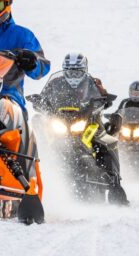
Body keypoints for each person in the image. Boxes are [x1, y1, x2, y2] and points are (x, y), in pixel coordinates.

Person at [32, 53, 128, 204]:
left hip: (89, 121)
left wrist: (104, 98)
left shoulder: (93, 83)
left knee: (106, 142)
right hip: (60, 120)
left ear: (84, 70)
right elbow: (44, 98)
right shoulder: (55, 83)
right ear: (64, 70)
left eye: (77, 71)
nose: (73, 75)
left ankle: (114, 183)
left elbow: (104, 99)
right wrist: (39, 102)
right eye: (70, 71)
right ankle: (31, 178)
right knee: (38, 139)